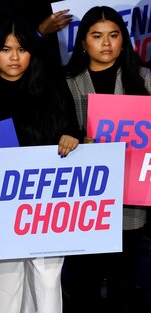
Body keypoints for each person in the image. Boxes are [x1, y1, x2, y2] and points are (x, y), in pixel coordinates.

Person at [0, 16, 80, 313]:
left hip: (45, 203)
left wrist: (72, 138)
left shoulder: (53, 88)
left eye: (21, 49)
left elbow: (74, 130)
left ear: (32, 51)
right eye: (5, 49)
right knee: (2, 290)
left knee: (47, 285)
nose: (14, 57)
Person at [63, 6, 151, 313]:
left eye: (113, 35)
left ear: (123, 40)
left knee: (123, 286)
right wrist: (75, 140)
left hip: (130, 199)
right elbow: (55, 131)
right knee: (83, 284)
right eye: (97, 36)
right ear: (83, 41)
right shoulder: (67, 81)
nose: (106, 43)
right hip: (82, 200)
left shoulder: (144, 78)